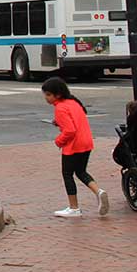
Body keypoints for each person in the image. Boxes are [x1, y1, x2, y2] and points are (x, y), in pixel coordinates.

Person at [42, 76, 110, 218]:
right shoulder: (73, 102)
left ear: (57, 94)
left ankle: (74, 207)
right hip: (86, 142)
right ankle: (98, 191)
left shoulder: (60, 108)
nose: (46, 98)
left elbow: (70, 130)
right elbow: (75, 121)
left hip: (73, 146)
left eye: (48, 95)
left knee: (67, 174)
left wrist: (59, 141)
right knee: (81, 171)